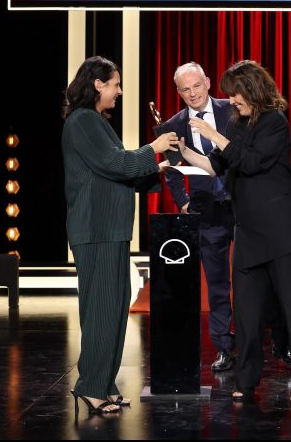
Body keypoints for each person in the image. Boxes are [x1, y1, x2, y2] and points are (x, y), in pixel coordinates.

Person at [179, 60, 291, 406]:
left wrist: (214, 136)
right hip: (249, 232)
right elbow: (217, 165)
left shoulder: (275, 121)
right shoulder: (235, 123)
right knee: (247, 311)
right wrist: (184, 153)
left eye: (235, 94)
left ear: (251, 90)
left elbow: (252, 162)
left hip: (282, 232)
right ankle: (247, 378)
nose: (231, 100)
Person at [62, 56, 179, 414]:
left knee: (114, 303)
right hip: (95, 227)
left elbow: (116, 168)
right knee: (101, 306)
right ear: (97, 84)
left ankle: (104, 383)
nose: (119, 91)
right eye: (115, 84)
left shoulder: (95, 121)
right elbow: (115, 164)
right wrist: (153, 149)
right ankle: (91, 387)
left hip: (108, 227)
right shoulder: (83, 120)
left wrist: (155, 168)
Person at [163, 62, 237, 372]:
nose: (193, 93)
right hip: (206, 211)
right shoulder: (173, 125)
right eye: (185, 89)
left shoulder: (233, 109)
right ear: (178, 92)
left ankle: (267, 341)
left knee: (253, 278)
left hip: (242, 206)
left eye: (196, 86)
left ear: (207, 82)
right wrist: (182, 202)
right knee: (217, 283)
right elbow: (171, 170)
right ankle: (224, 346)